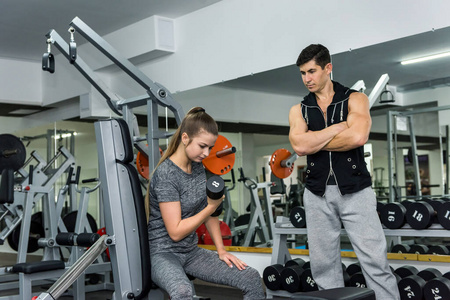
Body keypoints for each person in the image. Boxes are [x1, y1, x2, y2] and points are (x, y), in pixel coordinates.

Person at [288, 44, 400, 300]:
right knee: (323, 266)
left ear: (328, 68)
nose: (307, 79)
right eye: (303, 73)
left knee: (375, 262)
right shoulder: (299, 109)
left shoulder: (355, 99)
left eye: (312, 71)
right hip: (316, 194)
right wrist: (337, 128)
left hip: (355, 191)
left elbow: (358, 136)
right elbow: (299, 145)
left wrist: (314, 139)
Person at [147, 107, 265, 300]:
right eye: (202, 146)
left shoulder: (198, 167)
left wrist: (221, 251)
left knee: (250, 277)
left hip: (191, 252)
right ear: (185, 138)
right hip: (163, 254)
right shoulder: (166, 175)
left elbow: (211, 215)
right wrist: (211, 205)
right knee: (183, 291)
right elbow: (175, 232)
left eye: (210, 147)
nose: (206, 152)